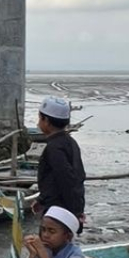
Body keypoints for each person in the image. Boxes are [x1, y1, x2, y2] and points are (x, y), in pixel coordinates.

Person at [33, 95, 85, 229]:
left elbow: (67, 179)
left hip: (57, 213)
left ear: (47, 121)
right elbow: (78, 177)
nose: (38, 122)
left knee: (49, 245)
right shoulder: (71, 143)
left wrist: (76, 213)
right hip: (62, 209)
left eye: (40, 118)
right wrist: (41, 199)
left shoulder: (54, 148)